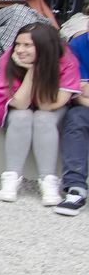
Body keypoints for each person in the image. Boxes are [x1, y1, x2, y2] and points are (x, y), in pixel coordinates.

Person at [0, 23, 80, 204]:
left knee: (43, 118)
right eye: (17, 44)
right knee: (23, 116)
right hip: (20, 109)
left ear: (44, 46)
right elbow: (20, 104)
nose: (20, 50)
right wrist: (31, 72)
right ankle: (12, 178)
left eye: (27, 45)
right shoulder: (10, 58)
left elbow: (48, 105)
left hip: (51, 108)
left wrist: (38, 68)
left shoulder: (66, 59)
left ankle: (48, 181)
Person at [54, 30, 89, 215]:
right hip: (85, 106)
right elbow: (80, 94)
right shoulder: (77, 46)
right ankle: (76, 189)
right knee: (76, 117)